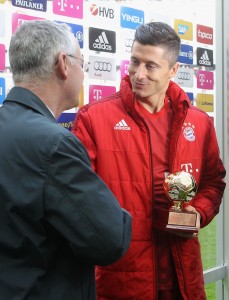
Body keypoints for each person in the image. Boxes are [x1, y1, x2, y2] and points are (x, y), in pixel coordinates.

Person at [72, 22, 226, 300]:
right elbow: (78, 200)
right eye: (134, 61)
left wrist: (197, 214)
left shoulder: (199, 123)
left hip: (183, 280)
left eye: (150, 66)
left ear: (173, 70)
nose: (138, 74)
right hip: (122, 280)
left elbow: (214, 183)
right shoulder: (93, 118)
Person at [0, 20, 132, 300]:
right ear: (63, 64)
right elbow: (111, 239)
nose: (83, 74)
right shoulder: (55, 145)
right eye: (82, 64)